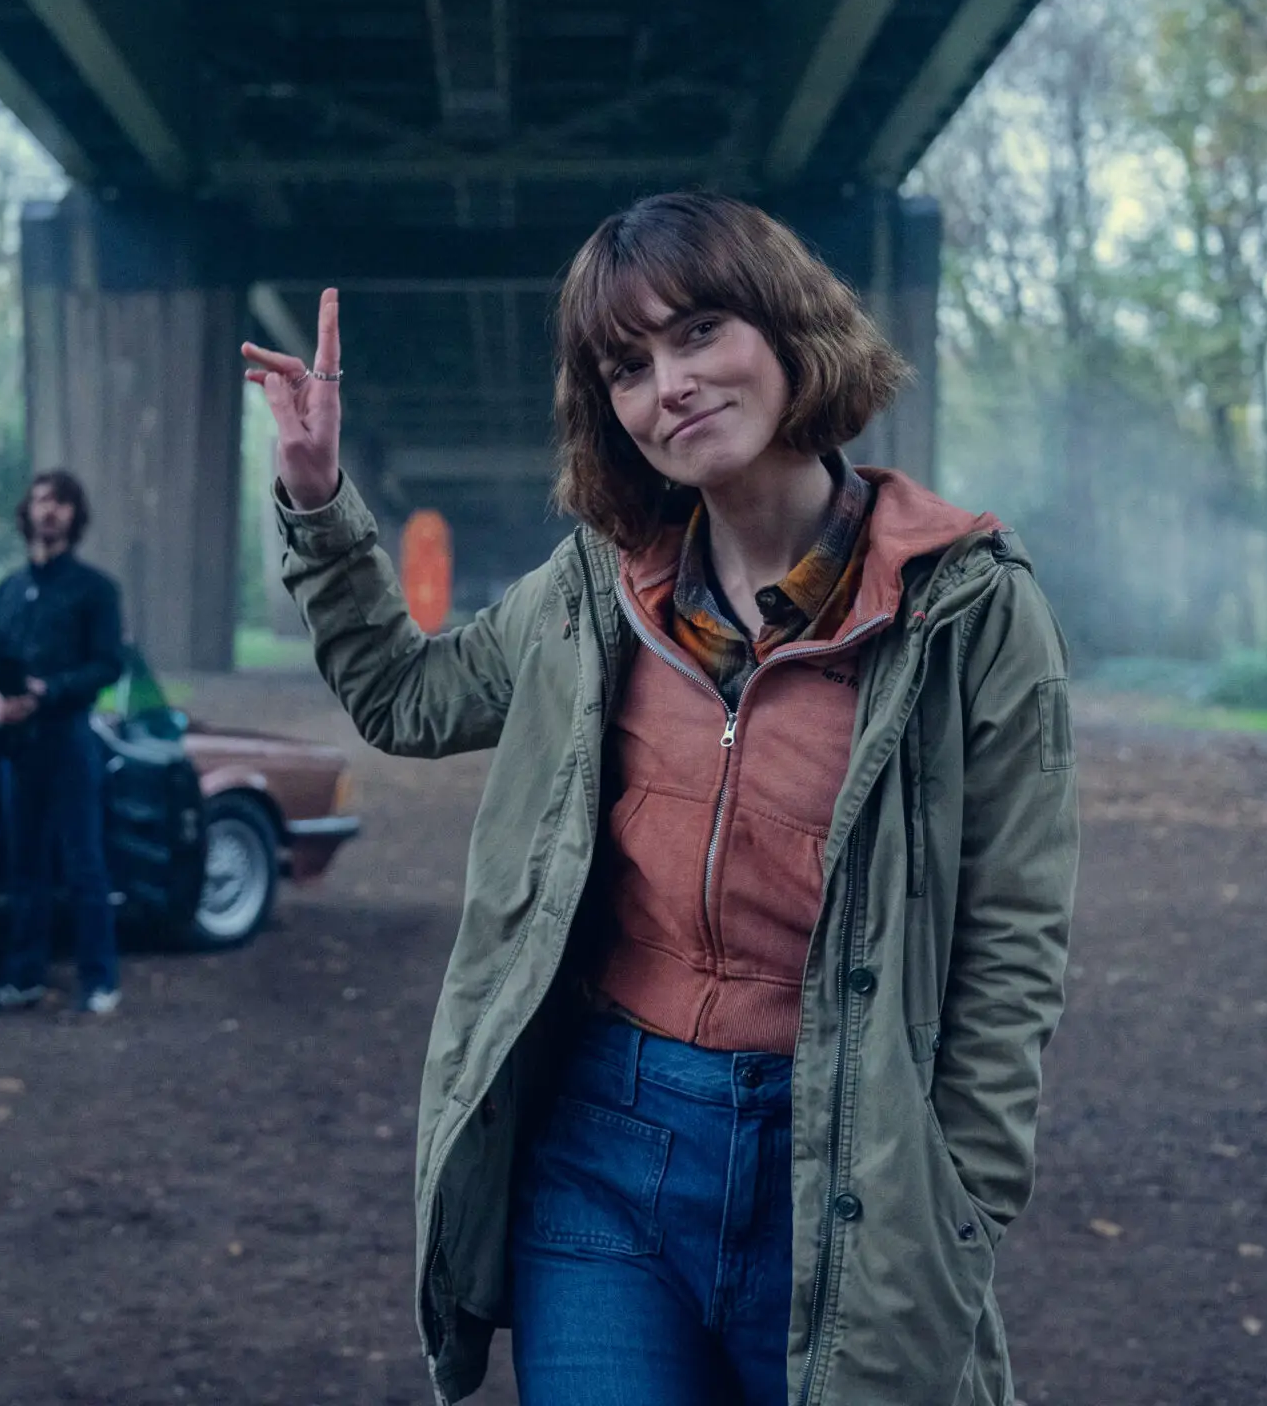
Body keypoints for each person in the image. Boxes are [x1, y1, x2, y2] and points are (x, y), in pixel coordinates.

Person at [244, 193, 1079, 1405]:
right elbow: (407, 698)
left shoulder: (970, 607)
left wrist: (960, 1198)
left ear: (788, 331)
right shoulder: (595, 586)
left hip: (842, 1159)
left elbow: (1014, 941)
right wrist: (318, 499)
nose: (669, 385)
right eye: (626, 367)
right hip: (604, 1152)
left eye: (697, 334)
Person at [0, 469, 127, 1014]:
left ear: (74, 516)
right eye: (42, 500)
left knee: (83, 863)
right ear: (28, 512)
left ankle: (99, 981)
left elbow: (108, 665)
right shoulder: (9, 590)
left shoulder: (95, 589)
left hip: (68, 741)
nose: (49, 510)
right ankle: (24, 978)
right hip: (17, 747)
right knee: (24, 868)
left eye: (61, 503)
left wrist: (47, 690)